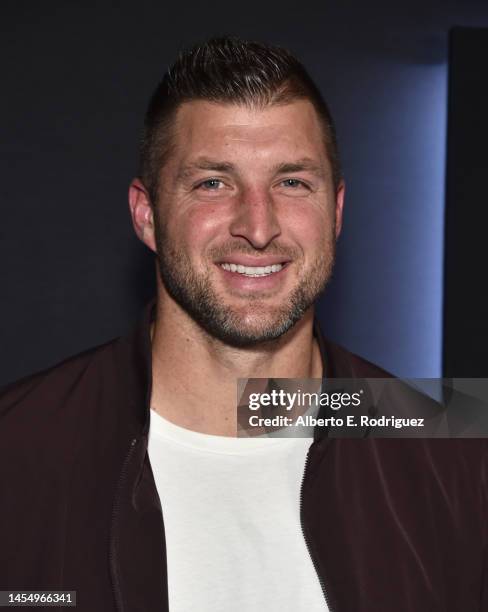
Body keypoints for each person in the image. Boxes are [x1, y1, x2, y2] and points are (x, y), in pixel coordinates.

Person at [0, 37, 486, 612]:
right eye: (213, 182)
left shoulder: (459, 449)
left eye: (292, 182)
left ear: (335, 212)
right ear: (146, 214)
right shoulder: (18, 451)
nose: (258, 227)